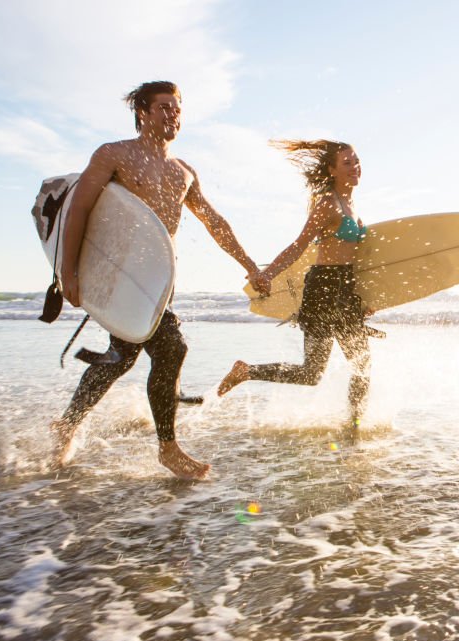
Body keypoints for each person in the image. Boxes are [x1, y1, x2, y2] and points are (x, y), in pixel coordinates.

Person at [52, 80, 262, 479]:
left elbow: (215, 222)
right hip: (118, 275)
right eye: (164, 107)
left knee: (122, 358)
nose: (173, 115)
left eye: (177, 108)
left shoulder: (183, 172)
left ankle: (67, 424)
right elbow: (78, 208)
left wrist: (249, 264)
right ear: (143, 113)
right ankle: (168, 448)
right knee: (172, 348)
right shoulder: (114, 154)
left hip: (157, 281)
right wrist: (69, 271)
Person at [217, 140, 372, 437]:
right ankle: (246, 372)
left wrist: (369, 298)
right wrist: (266, 274)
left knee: (361, 364)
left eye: (357, 161)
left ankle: (353, 425)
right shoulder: (328, 203)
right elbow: (299, 246)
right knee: (312, 373)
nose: (355, 167)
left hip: (347, 289)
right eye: (347, 163)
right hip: (323, 289)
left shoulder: (353, 206)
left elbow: (359, 262)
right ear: (332, 170)